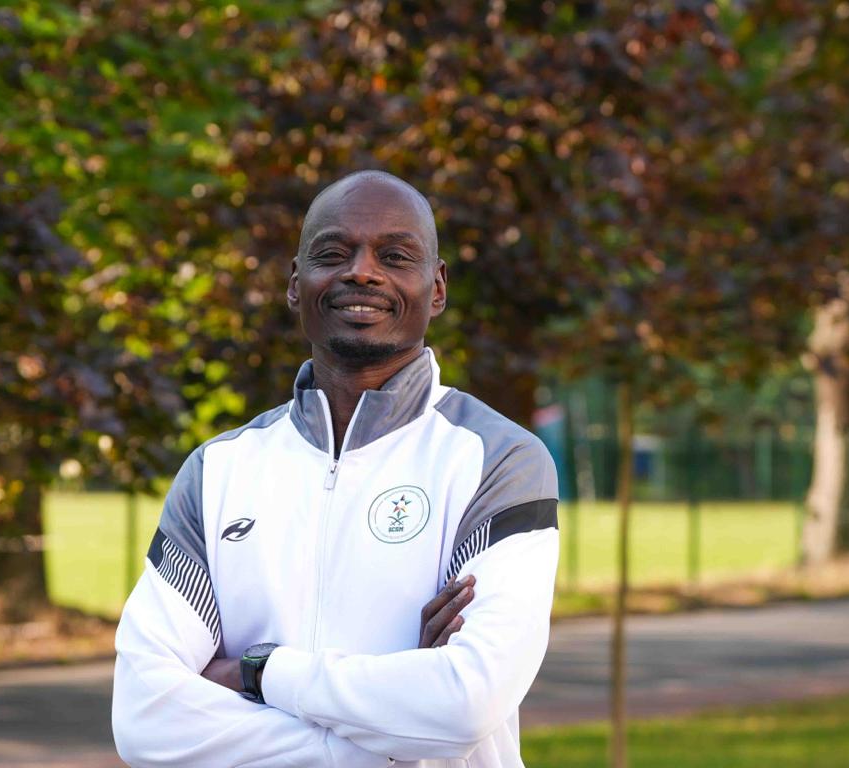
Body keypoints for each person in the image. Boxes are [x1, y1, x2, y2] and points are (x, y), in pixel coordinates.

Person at [112, 170, 559, 768]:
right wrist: (395, 725)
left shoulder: (498, 460)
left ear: (437, 288)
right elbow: (145, 719)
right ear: (296, 285)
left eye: (395, 256)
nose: (362, 272)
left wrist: (259, 672)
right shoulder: (218, 470)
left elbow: (465, 705)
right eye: (332, 254)